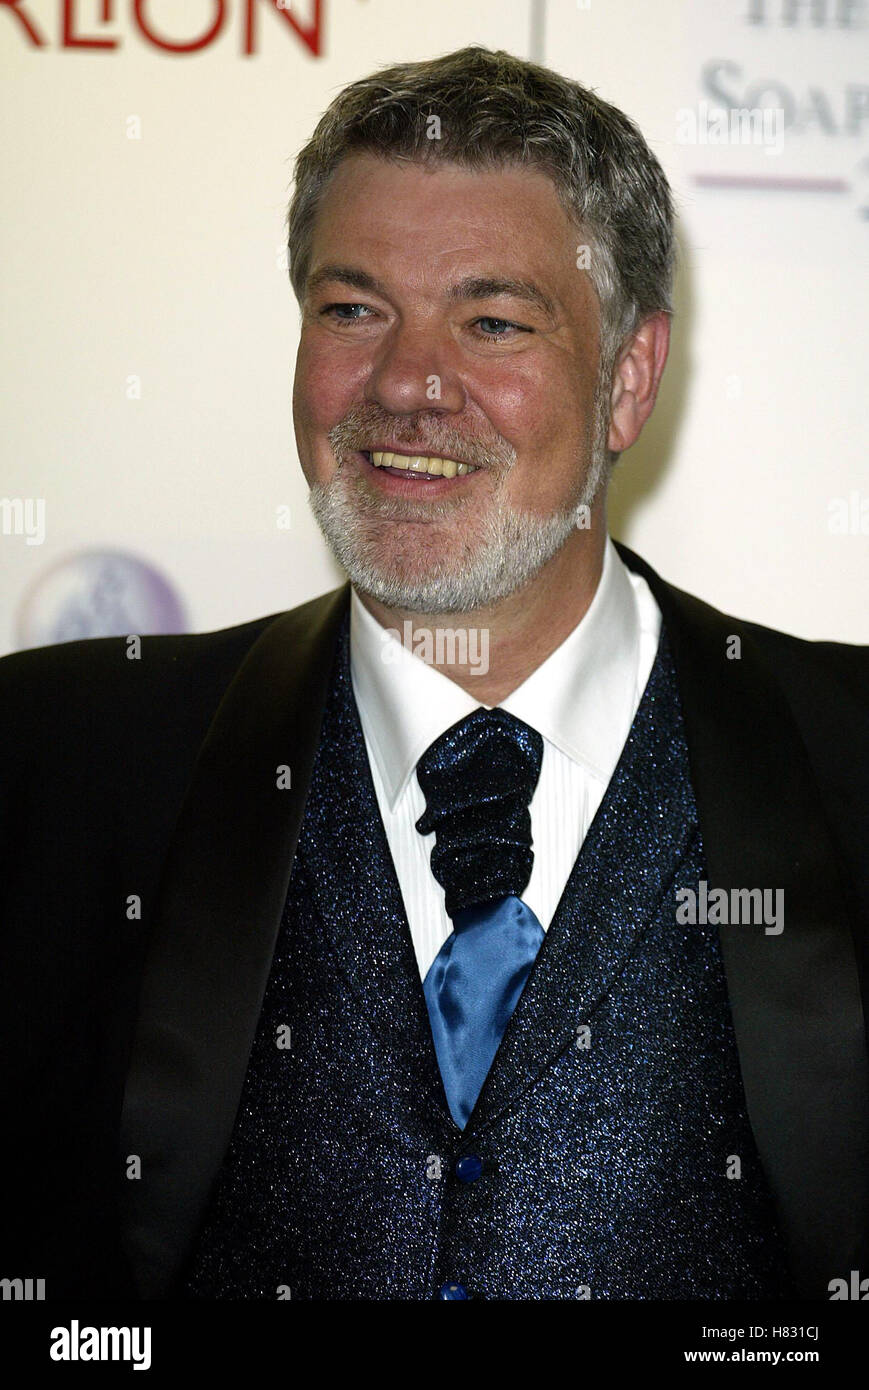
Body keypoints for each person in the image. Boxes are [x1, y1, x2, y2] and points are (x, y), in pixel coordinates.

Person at [1, 46, 866, 1303]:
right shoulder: (56, 764)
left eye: (492, 321)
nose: (407, 385)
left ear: (626, 377)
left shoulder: (847, 761)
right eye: (352, 311)